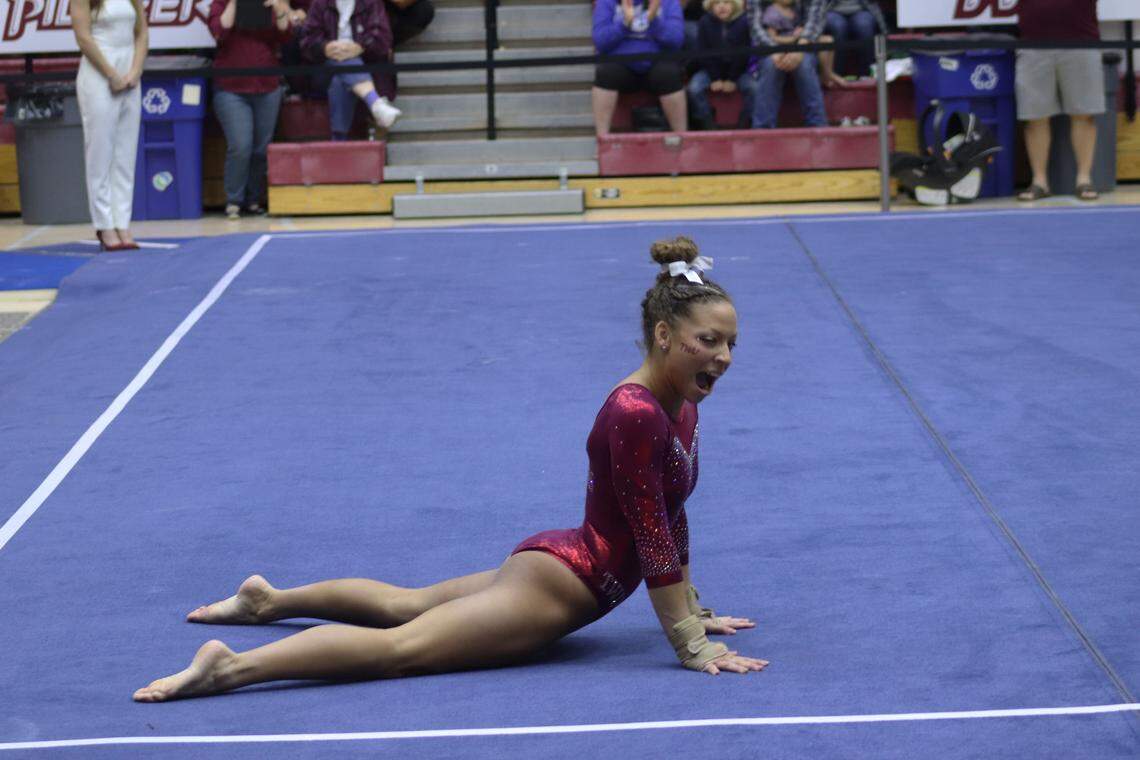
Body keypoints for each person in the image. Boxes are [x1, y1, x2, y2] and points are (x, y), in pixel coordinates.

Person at [132, 237, 767, 702]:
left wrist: (694, 603)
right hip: (566, 584)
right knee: (400, 651)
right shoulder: (638, 413)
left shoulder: (679, 402)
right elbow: (650, 533)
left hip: (563, 560)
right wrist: (689, 640)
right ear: (662, 334)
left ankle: (269, 601)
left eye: (731, 343)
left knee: (405, 606)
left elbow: (670, 513)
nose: (724, 356)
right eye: (708, 340)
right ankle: (228, 669)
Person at [209, 0, 297, 220]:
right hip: (231, 88)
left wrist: (278, 8)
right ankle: (234, 200)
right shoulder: (221, 2)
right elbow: (220, 31)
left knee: (261, 148)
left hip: (267, 85)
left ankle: (253, 199)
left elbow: (286, 35)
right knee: (240, 145)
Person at [71, 0, 147, 251]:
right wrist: (111, 74)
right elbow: (83, 38)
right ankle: (105, 225)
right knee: (100, 153)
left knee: (125, 153)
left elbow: (142, 31)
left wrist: (135, 69)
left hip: (130, 73)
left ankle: (122, 222)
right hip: (99, 73)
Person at [1015, 0, 1104, 202]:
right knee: (1035, 116)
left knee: (1084, 113)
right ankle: (1039, 181)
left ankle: (1084, 179)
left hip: (1081, 40)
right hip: (1033, 43)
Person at [299, 0, 400, 140]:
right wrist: (325, 48)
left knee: (339, 80)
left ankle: (339, 142)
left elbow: (382, 38)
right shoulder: (320, 3)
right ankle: (375, 102)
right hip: (325, 67)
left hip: (365, 64)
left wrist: (360, 47)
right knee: (344, 63)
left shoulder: (371, 2)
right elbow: (307, 39)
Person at [591, 0, 688, 135]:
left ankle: (682, 138)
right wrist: (624, 23)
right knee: (605, 73)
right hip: (621, 64)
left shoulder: (668, 2)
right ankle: (602, 139)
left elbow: (676, 40)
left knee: (669, 74)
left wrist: (654, 21)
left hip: (657, 63)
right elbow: (600, 41)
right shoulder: (606, 2)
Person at [747, 0, 826, 128]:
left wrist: (800, 49)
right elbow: (755, 26)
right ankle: (762, 130)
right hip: (769, 46)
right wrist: (774, 51)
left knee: (804, 66)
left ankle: (818, 127)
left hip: (804, 44)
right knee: (770, 66)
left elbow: (815, 21)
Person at [687, 0, 756, 130]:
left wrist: (732, 79)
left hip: (738, 72)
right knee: (694, 89)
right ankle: (708, 123)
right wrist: (715, 78)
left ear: (735, 4)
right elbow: (703, 52)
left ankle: (744, 123)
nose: (722, 6)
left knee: (754, 89)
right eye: (717, 3)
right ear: (710, 6)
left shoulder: (744, 23)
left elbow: (743, 55)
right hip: (710, 71)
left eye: (726, 2)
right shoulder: (704, 22)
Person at [821, 0, 887, 80]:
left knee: (863, 26)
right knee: (838, 27)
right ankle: (836, 75)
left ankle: (866, 75)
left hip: (863, 8)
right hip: (830, 9)